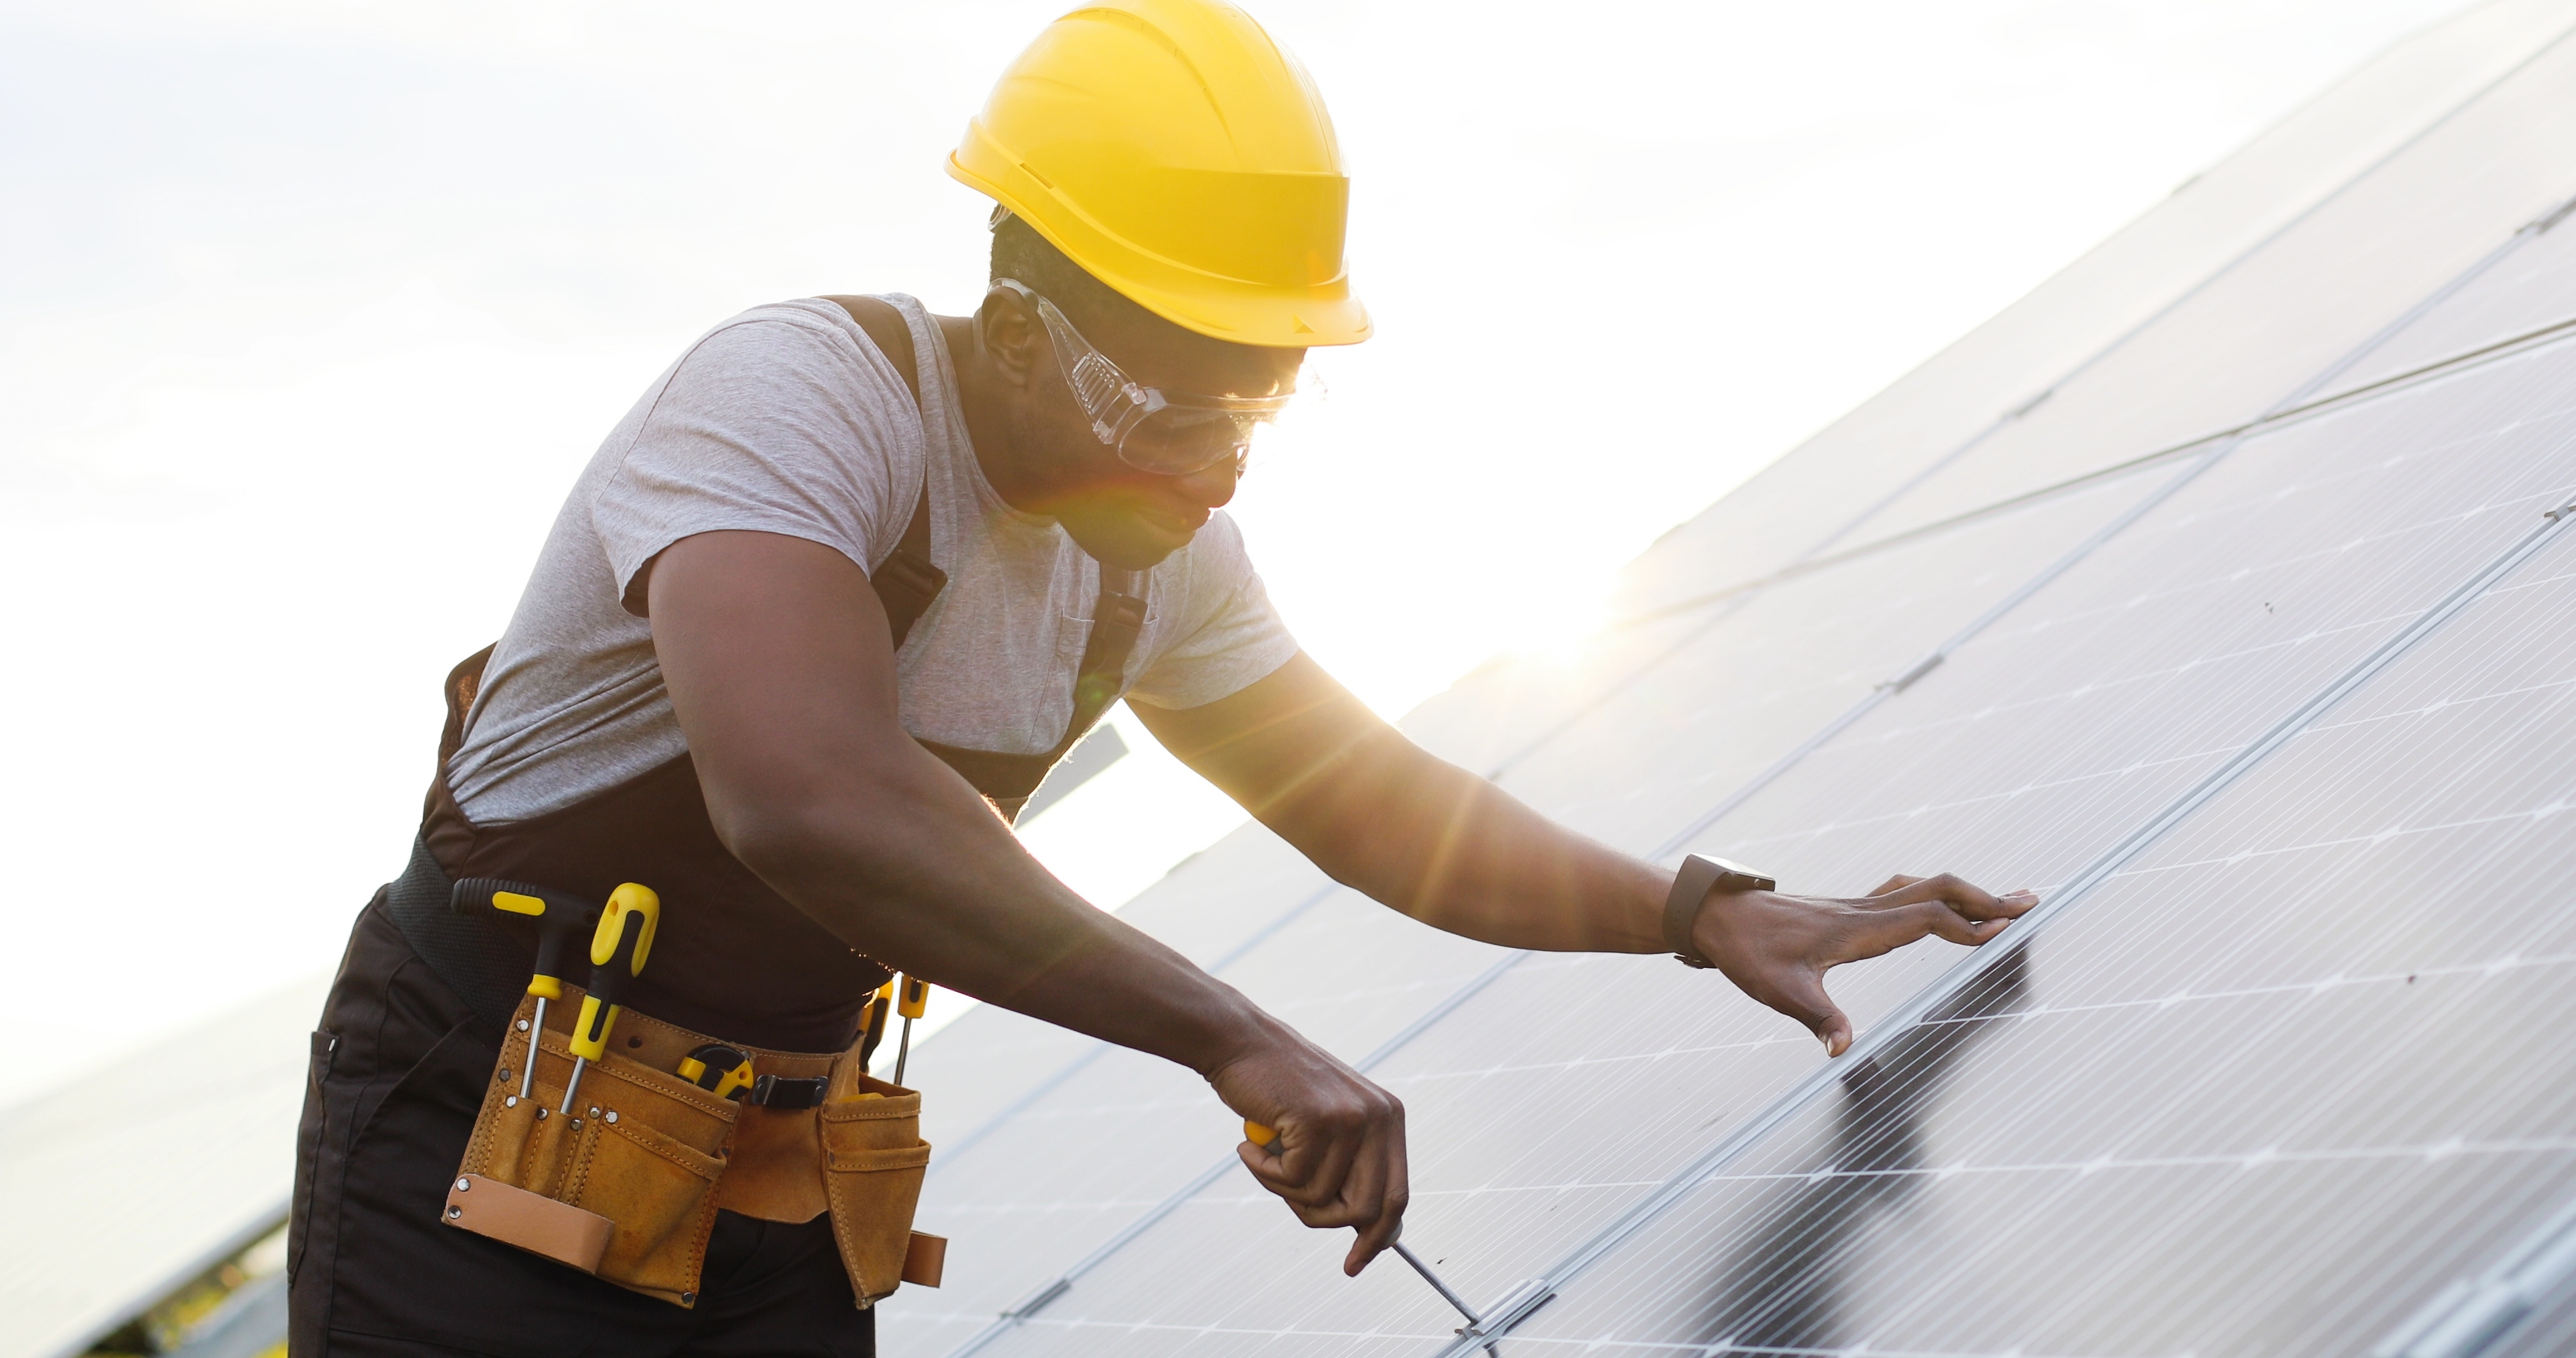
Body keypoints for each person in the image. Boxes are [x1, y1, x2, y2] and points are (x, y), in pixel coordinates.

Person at [286, 1, 2033, 1352]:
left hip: (773, 1190)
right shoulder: (801, 401)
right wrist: (1236, 1035)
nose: (1217, 465)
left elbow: (1374, 809)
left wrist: (1697, 909)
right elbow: (804, 794)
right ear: (1028, 326)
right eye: (1174, 402)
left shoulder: (1161, 552)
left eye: (1259, 403)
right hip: (480, 1140)